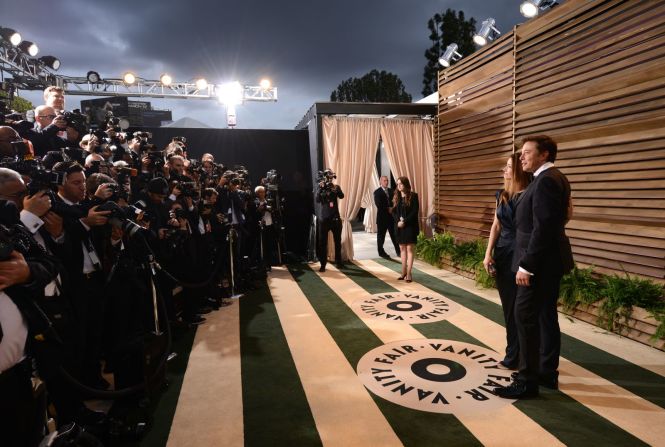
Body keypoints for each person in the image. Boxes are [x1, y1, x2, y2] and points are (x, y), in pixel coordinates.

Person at [496, 135, 574, 399]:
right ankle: (546, 373)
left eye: (527, 152)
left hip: (538, 263)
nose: (522, 157)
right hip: (548, 261)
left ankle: (528, 380)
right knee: (544, 316)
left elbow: (543, 228)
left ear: (545, 155)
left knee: (525, 316)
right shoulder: (549, 179)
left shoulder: (546, 181)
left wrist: (526, 266)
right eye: (521, 153)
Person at [483, 153, 532, 369]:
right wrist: (487, 253)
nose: (504, 170)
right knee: (508, 308)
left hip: (521, 255)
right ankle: (512, 354)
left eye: (509, 166)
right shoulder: (501, 195)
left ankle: (523, 358)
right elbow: (495, 226)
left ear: (519, 171)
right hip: (502, 254)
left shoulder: (530, 195)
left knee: (520, 310)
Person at [315, 172, 344, 272]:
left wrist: (335, 189)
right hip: (324, 219)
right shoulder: (321, 187)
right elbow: (317, 199)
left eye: (331, 177)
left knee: (338, 241)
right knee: (322, 243)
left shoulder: (336, 187)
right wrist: (321, 188)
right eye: (328, 177)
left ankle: (338, 261)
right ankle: (323, 264)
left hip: (335, 218)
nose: (330, 179)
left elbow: (341, 196)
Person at [393, 176, 419, 282]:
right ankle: (403, 272)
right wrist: (398, 222)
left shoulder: (413, 196)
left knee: (409, 249)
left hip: (410, 226)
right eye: (397, 183)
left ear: (406, 185)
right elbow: (394, 212)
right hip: (399, 227)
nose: (398, 186)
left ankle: (409, 273)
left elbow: (415, 211)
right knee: (402, 249)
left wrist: (405, 221)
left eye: (401, 184)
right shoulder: (396, 196)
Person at [373, 175, 400, 259]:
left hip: (391, 218)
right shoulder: (377, 192)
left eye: (387, 180)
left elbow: (396, 202)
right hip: (382, 218)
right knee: (381, 237)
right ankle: (381, 252)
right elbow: (379, 205)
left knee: (394, 235)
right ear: (380, 181)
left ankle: (398, 251)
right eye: (384, 180)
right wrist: (388, 209)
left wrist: (393, 208)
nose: (386, 182)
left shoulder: (391, 191)